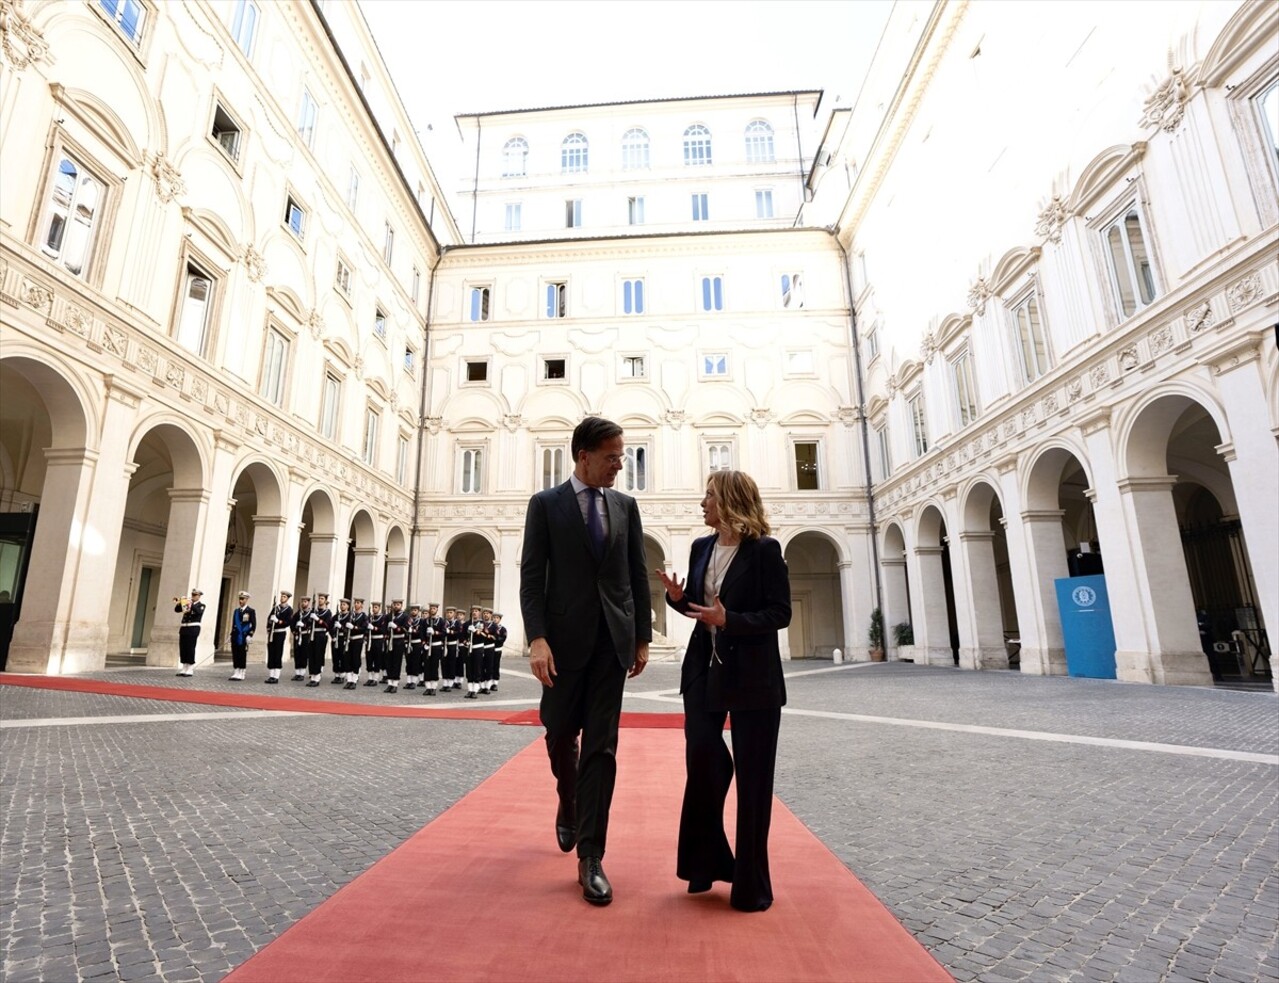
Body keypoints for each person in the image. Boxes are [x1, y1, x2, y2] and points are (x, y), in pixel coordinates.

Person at [520, 415, 651, 906]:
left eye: (622, 455)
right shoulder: (546, 505)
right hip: (561, 645)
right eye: (613, 456)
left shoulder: (626, 506)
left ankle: (591, 856)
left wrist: (640, 636)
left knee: (602, 747)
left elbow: (636, 574)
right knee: (558, 734)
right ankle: (568, 798)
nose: (621, 464)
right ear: (584, 456)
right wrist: (537, 638)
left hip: (610, 646)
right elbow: (532, 578)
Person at [658, 469, 791, 913]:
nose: (702, 503)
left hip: (754, 676)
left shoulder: (765, 551)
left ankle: (751, 884)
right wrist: (679, 599)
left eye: (709, 496)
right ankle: (708, 858)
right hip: (703, 668)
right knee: (703, 755)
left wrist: (730, 620)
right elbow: (701, 606)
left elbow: (780, 613)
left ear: (731, 502)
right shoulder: (701, 547)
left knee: (755, 782)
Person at [173, 588, 205, 677]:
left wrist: (190, 603)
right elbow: (177, 610)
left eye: (195, 595)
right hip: (184, 628)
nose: (193, 597)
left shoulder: (201, 605)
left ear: (199, 596)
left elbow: (198, 612)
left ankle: (190, 668)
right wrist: (181, 602)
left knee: (190, 647)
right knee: (183, 647)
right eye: (192, 595)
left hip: (193, 628)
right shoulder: (187, 604)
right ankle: (184, 667)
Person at [264, 590, 293, 684]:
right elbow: (269, 619)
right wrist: (269, 626)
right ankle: (271, 675)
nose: (282, 598)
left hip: (280, 633)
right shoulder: (276, 608)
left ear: (287, 598)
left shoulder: (289, 610)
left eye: (284, 597)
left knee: (277, 653)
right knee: (271, 653)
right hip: (273, 633)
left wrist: (278, 621)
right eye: (282, 596)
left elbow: (288, 622)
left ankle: (276, 676)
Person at [228, 591, 257, 681]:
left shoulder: (250, 611)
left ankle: (242, 672)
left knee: (242, 654)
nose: (241, 601)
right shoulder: (236, 611)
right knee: (235, 654)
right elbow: (234, 625)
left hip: (244, 636)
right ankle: (236, 671)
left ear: (246, 599)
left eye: (243, 599)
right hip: (236, 635)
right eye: (240, 599)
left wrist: (250, 635)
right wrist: (231, 635)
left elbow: (253, 624)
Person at [308, 593, 335, 686]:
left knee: (318, 655)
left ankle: (317, 678)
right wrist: (310, 618)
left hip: (321, 635)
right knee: (311, 656)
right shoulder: (314, 611)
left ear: (326, 601)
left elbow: (328, 625)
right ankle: (312, 676)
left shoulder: (328, 612)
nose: (320, 600)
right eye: (319, 598)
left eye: (322, 599)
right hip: (313, 635)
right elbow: (308, 624)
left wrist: (318, 619)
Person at [385, 599, 408, 693]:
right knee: (389, 662)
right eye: (394, 604)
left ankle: (395, 683)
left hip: (399, 640)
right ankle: (389, 683)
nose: (396, 606)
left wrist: (397, 628)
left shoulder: (405, 616)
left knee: (396, 662)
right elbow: (383, 628)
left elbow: (406, 629)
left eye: (398, 604)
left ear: (401, 605)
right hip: (390, 640)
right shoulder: (389, 616)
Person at [422, 602, 445, 696]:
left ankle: (434, 687)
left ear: (437, 610)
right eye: (431, 608)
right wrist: (424, 643)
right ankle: (428, 687)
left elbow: (444, 633)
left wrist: (435, 633)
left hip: (436, 645)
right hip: (427, 646)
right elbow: (421, 633)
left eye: (434, 608)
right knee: (427, 666)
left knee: (434, 666)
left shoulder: (441, 621)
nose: (432, 610)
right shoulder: (425, 621)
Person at [346, 598, 369, 689]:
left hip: (358, 640)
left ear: (362, 605)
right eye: (355, 603)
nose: (356, 604)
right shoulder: (351, 615)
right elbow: (345, 626)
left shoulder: (364, 616)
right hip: (349, 640)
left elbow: (364, 628)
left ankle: (354, 680)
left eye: (358, 603)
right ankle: (349, 680)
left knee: (355, 659)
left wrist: (354, 627)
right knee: (348, 659)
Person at [290, 595, 313, 681]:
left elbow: (311, 625)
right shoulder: (297, 614)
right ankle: (297, 673)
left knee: (304, 654)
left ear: (308, 603)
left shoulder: (310, 614)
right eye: (302, 602)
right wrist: (294, 631)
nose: (303, 603)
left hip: (305, 635)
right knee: (297, 653)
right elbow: (292, 624)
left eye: (305, 602)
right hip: (298, 635)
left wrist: (305, 625)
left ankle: (302, 673)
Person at [331, 598, 352, 684]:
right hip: (336, 639)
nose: (342, 606)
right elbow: (329, 627)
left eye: (344, 604)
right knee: (335, 657)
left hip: (344, 639)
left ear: (347, 606)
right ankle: (336, 675)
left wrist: (341, 628)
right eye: (341, 604)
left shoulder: (350, 616)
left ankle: (342, 675)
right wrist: (333, 635)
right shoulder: (336, 616)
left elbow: (349, 630)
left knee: (343, 657)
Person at [365, 600, 386, 686]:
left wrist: (374, 628)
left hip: (378, 640)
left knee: (377, 659)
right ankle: (370, 678)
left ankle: (375, 678)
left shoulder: (382, 618)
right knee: (369, 659)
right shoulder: (370, 618)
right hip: (370, 640)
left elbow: (383, 630)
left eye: (376, 607)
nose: (374, 609)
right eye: (373, 607)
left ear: (379, 608)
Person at [489, 612, 507, 692]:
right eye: (494, 618)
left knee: (496, 666)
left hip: (497, 649)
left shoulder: (502, 629)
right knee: (489, 666)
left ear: (500, 619)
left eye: (497, 618)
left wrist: (495, 638)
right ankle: (488, 682)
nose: (495, 619)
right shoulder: (490, 627)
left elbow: (503, 638)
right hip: (489, 649)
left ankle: (495, 683)